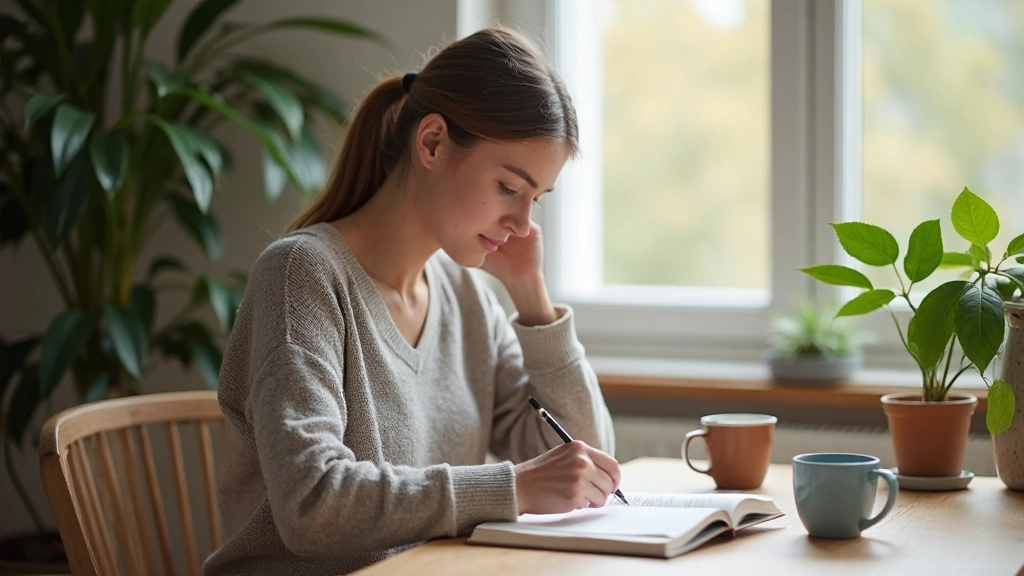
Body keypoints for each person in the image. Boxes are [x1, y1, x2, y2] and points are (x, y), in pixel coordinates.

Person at [204, 27, 620, 575]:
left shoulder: (465, 294)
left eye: (536, 199)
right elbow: (310, 502)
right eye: (509, 188)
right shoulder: (301, 275)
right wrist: (511, 487)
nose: (523, 224)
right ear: (431, 143)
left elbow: (587, 461)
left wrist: (532, 299)